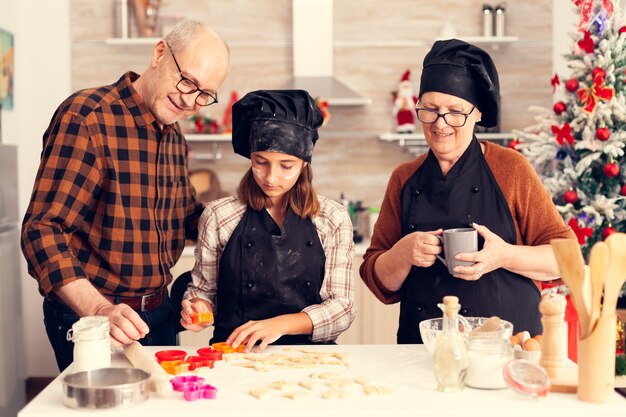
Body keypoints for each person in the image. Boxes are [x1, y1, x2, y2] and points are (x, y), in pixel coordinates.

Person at [21, 20, 230, 371]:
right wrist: (99, 310)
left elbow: (185, 215)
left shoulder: (173, 134)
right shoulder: (87, 117)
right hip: (95, 318)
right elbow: (41, 230)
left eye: (204, 94)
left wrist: (246, 218)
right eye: (188, 81)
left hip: (158, 316)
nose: (191, 100)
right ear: (160, 53)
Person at [360, 39, 575, 343]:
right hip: (422, 354)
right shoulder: (404, 178)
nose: (440, 123)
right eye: (430, 110)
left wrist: (504, 256)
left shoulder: (511, 169)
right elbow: (377, 277)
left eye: (455, 112)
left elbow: (566, 259)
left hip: (508, 350)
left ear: (477, 114)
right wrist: (403, 253)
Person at [180, 90, 356, 352]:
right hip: (234, 352)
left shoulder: (332, 218)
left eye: (286, 166)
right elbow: (204, 290)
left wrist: (279, 325)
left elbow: (342, 308)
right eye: (260, 162)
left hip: (310, 356)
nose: (271, 178)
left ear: (305, 164)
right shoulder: (219, 216)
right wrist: (198, 308)